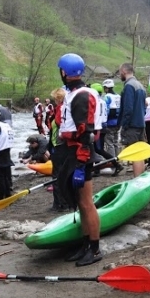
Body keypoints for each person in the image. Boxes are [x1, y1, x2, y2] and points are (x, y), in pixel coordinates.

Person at [54, 53, 102, 266]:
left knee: (86, 202)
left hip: (80, 153)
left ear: (64, 72)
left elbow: (87, 132)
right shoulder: (73, 93)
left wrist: (82, 161)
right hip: (72, 152)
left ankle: (95, 248)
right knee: (80, 203)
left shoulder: (82, 95)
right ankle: (85, 244)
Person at [118, 63, 147, 176]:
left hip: (132, 125)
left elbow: (128, 108)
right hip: (141, 123)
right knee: (140, 153)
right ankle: (142, 178)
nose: (120, 74)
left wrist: (124, 125)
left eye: (120, 72)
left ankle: (137, 180)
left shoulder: (129, 86)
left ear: (124, 71)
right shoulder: (140, 85)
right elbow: (144, 107)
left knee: (135, 154)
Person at [90, 83, 123, 176]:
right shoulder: (103, 101)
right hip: (104, 125)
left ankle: (116, 164)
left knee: (99, 149)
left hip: (98, 126)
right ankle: (97, 170)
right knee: (97, 149)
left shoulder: (95, 101)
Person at [102, 78, 121, 156]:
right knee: (116, 142)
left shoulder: (107, 97)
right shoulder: (118, 96)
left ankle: (112, 159)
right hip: (118, 122)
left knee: (110, 143)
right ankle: (118, 158)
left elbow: (106, 110)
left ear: (106, 88)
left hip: (110, 123)